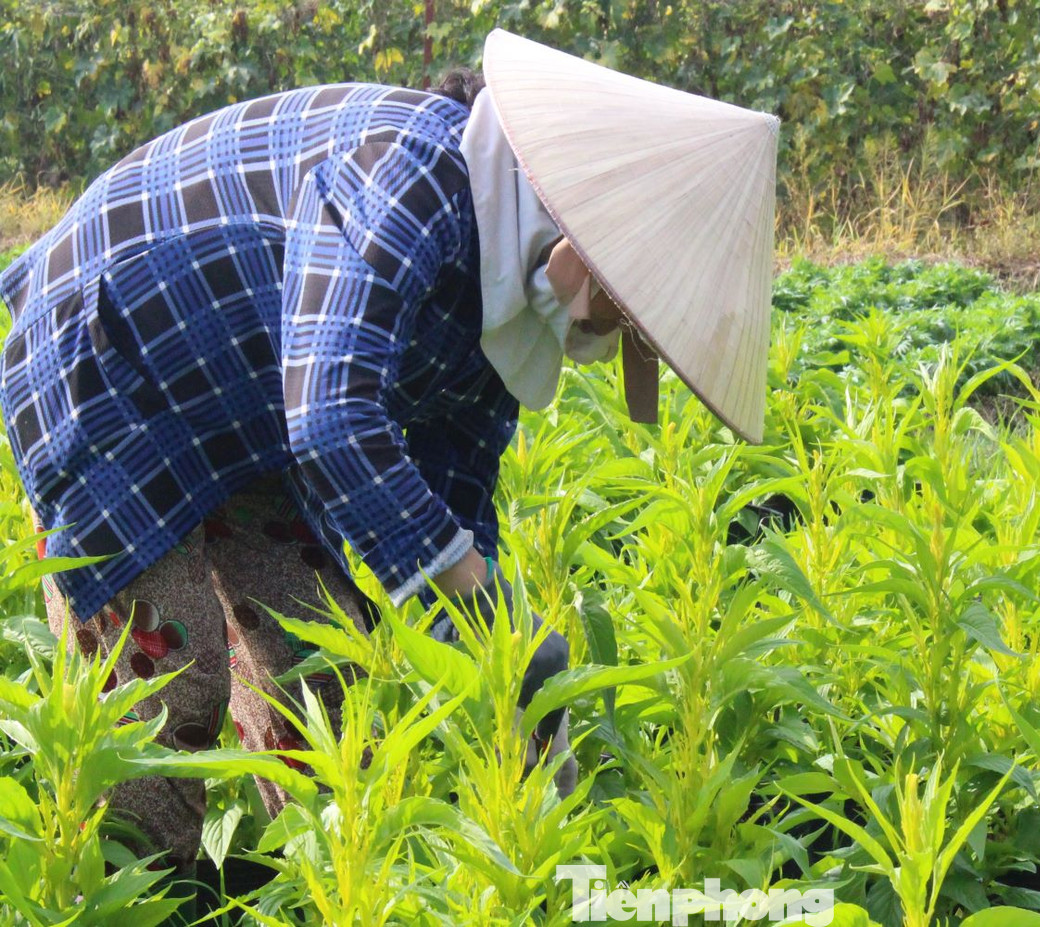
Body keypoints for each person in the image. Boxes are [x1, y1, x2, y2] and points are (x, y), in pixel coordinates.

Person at [0, 29, 778, 872]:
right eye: (624, 311)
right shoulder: (417, 173)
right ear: (585, 238)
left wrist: (510, 670)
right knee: (165, 689)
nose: (615, 334)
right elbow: (332, 414)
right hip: (114, 359)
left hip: (253, 405)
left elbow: (456, 504)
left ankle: (320, 883)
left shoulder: (503, 292)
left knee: (324, 665)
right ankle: (133, 893)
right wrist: (477, 603)